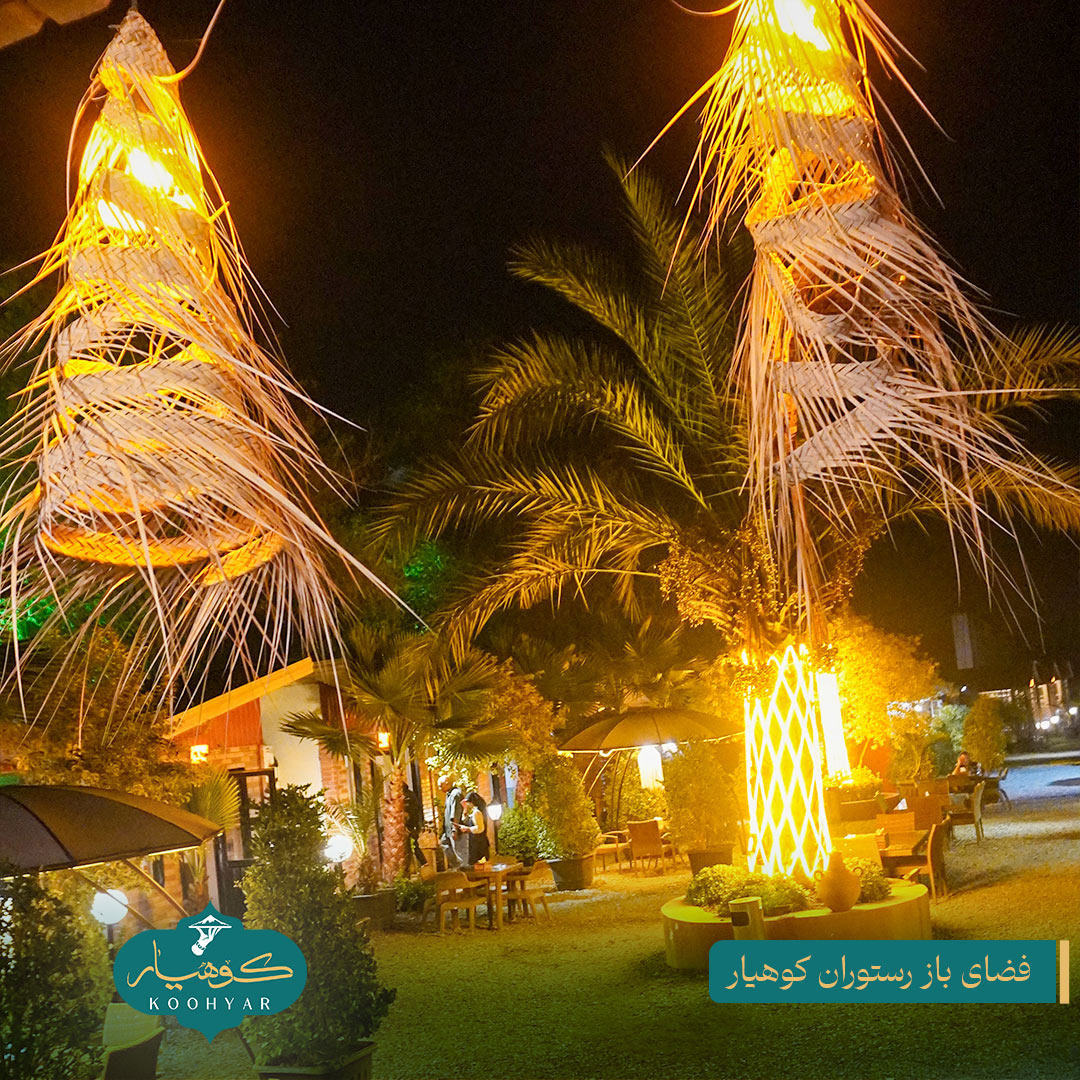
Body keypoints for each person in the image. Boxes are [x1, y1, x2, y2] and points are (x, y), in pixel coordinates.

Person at [438, 774, 466, 868]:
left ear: (447, 783)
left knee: (458, 850)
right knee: (444, 843)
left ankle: (464, 868)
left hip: (454, 828)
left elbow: (456, 812)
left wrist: (455, 828)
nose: (439, 788)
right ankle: (456, 866)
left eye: (441, 785)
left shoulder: (455, 794)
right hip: (448, 829)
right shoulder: (449, 795)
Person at [456, 790, 491, 864]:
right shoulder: (477, 811)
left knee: (478, 864)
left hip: (478, 843)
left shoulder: (477, 812)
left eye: (468, 802)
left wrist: (468, 829)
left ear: (472, 802)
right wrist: (465, 809)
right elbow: (466, 820)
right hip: (478, 842)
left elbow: (480, 828)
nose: (467, 804)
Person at [403, 784, 426, 867]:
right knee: (413, 844)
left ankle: (422, 862)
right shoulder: (411, 795)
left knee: (412, 844)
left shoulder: (407, 797)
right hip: (414, 825)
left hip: (411, 826)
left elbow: (411, 812)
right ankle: (423, 862)